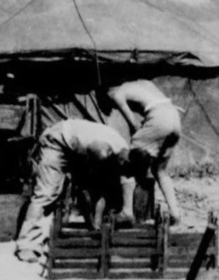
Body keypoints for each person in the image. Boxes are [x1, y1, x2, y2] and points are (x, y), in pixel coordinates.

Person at [15, 119, 130, 263]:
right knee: (47, 193)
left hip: (77, 146)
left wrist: (96, 225)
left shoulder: (123, 150)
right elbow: (86, 189)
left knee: (89, 190)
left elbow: (100, 191)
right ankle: (27, 245)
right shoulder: (99, 151)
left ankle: (87, 230)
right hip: (56, 140)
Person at [103, 79, 182, 225]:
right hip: (174, 117)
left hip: (159, 119)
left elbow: (132, 123)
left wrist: (137, 135)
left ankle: (127, 212)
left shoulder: (115, 94)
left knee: (127, 163)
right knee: (160, 170)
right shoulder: (143, 83)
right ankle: (175, 214)